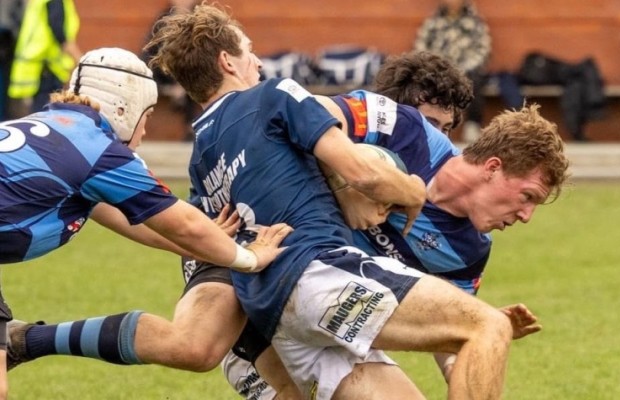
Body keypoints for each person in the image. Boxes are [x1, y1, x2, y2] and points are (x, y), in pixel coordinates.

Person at [148, 5, 515, 400]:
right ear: (227, 61)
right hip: (316, 276)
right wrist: (410, 191)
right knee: (485, 325)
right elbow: (363, 171)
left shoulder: (202, 156)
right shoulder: (274, 95)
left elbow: (204, 251)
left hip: (261, 320)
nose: (256, 61)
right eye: (248, 50)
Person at [221, 58, 567, 400]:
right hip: (263, 299)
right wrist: (345, 184)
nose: (526, 216)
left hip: (336, 318)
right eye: (527, 197)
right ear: (493, 168)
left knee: (481, 326)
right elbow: (306, 111)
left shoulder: (470, 250)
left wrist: (476, 347)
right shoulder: (405, 129)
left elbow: (448, 350)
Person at [0, 46, 292, 400]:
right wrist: (249, 257)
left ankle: (24, 340)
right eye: (148, 114)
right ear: (125, 107)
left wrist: (209, 244)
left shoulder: (54, 134)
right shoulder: (98, 149)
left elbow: (143, 223)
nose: (145, 128)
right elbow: (181, 223)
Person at [414, 0, 491, 143]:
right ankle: (427, 125)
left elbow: (483, 50)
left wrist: (463, 69)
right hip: (438, 68)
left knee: (475, 79)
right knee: (423, 80)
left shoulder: (475, 23)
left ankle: (472, 126)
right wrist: (434, 65)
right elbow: (421, 45)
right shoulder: (433, 22)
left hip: (466, 69)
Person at [6, 0, 82, 119]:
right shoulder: (54, 2)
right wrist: (81, 61)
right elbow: (61, 36)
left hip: (36, 68)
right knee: (45, 118)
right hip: (47, 69)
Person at [141, 0, 200, 141]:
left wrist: (182, 85)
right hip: (163, 73)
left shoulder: (199, 20)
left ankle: (191, 129)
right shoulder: (163, 20)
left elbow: (200, 56)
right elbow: (149, 50)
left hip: (189, 74)